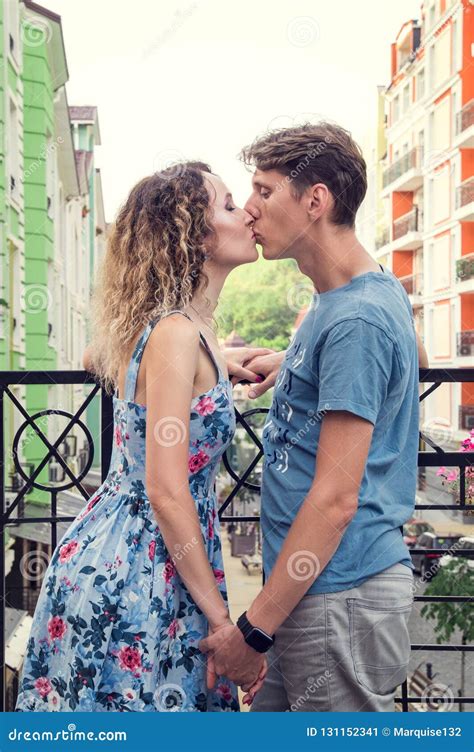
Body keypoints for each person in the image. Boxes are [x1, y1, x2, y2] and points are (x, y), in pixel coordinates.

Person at [15, 162, 269, 712]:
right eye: (229, 205)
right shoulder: (176, 333)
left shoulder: (180, 331)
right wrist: (226, 627)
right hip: (142, 568)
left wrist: (215, 364)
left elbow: (95, 356)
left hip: (137, 553)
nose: (247, 211)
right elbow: (166, 490)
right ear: (196, 237)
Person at [200, 122, 426, 712]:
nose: (249, 210)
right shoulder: (357, 298)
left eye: (264, 191)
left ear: (316, 201)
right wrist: (304, 365)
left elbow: (335, 499)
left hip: (338, 595)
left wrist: (253, 631)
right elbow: (411, 356)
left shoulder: (356, 321)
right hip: (314, 595)